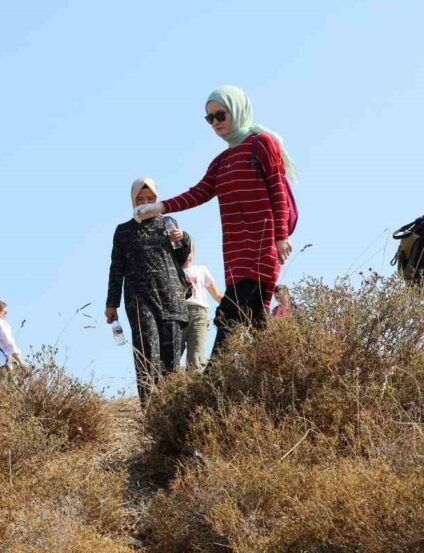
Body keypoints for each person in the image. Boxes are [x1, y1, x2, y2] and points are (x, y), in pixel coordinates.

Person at [135, 86, 296, 356]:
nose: (216, 123)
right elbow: (198, 193)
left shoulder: (262, 144)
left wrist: (281, 236)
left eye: (220, 115)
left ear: (237, 110)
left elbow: (277, 190)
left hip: (260, 246)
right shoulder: (221, 162)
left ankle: (212, 383)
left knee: (227, 315)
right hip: (234, 253)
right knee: (255, 321)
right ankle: (283, 372)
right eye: (209, 119)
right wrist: (159, 207)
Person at [107, 177, 192, 405]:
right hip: (139, 298)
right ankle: (149, 409)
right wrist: (111, 304)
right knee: (146, 351)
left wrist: (183, 239)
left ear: (157, 199)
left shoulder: (169, 223)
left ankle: (171, 411)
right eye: (140, 199)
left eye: (150, 199)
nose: (145, 203)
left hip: (171, 297)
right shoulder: (124, 231)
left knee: (171, 359)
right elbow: (117, 268)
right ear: (133, 201)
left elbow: (183, 258)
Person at [181, 242, 224, 371]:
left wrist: (231, 306)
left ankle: (196, 387)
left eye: (190, 251)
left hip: (199, 313)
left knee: (196, 354)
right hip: (179, 315)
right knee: (173, 353)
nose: (188, 255)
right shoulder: (174, 272)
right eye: (185, 251)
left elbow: (215, 293)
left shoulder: (201, 270)